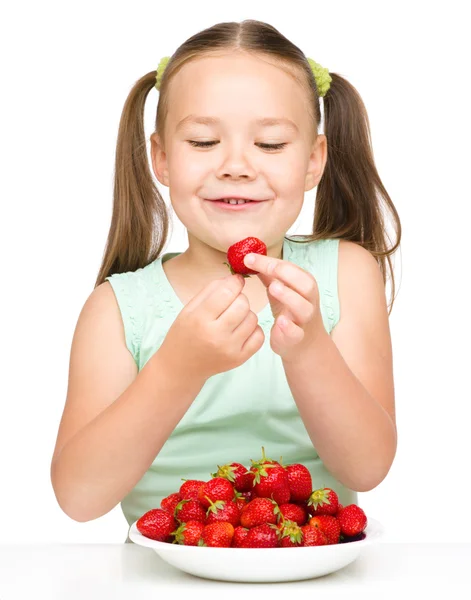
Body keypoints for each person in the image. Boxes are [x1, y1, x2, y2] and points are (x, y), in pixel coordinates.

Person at [50, 19, 401, 543]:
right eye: (204, 140)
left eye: (271, 144)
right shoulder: (117, 308)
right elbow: (79, 498)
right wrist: (177, 368)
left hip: (309, 565)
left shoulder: (347, 272)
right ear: (162, 159)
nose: (236, 165)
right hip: (163, 573)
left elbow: (367, 468)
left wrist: (309, 351)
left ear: (313, 161)